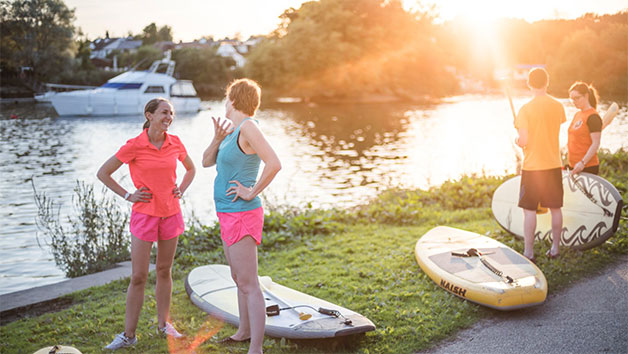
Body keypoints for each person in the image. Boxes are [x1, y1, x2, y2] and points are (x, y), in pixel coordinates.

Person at [98, 98, 196, 350]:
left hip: (171, 214)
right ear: (149, 115)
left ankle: (164, 325)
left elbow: (191, 170)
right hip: (144, 216)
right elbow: (103, 173)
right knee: (139, 276)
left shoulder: (175, 142)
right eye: (164, 112)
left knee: (164, 270)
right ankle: (129, 335)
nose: (169, 117)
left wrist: (181, 190)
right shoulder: (134, 145)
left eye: (171, 113)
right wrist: (128, 195)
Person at [202, 79, 281, 354]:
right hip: (226, 212)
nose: (224, 103)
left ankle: (256, 349)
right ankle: (244, 331)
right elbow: (206, 162)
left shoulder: (248, 127)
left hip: (242, 213)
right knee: (238, 277)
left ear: (233, 100)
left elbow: (274, 163)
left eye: (226, 99)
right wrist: (217, 137)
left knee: (249, 282)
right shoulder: (233, 131)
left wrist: (251, 191)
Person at [514, 68, 566, 261]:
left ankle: (529, 252)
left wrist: (518, 139)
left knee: (529, 211)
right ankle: (555, 249)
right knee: (555, 208)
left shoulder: (525, 110)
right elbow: (551, 129)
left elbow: (524, 141)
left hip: (533, 167)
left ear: (529, 84)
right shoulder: (558, 106)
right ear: (547, 82)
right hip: (553, 164)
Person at [567, 82, 602, 175]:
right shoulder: (577, 114)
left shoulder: (593, 117)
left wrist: (582, 162)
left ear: (586, 96)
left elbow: (596, 143)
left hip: (587, 167)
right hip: (574, 166)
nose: (574, 102)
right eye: (572, 99)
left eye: (577, 98)